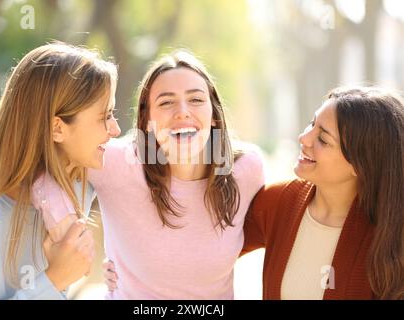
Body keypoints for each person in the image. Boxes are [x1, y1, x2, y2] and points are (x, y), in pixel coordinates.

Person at [31, 50, 265, 299]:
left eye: (196, 100)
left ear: (214, 115)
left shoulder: (245, 169)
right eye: (166, 102)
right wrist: (65, 226)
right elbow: (43, 162)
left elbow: (250, 233)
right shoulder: (116, 163)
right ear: (147, 121)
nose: (183, 112)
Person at [0, 42, 120, 299]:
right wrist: (53, 280)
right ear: (57, 128)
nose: (115, 129)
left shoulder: (80, 183)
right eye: (104, 117)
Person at [242, 86, 404, 299]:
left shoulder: (391, 235)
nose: (304, 138)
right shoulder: (278, 201)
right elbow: (209, 248)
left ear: (360, 165)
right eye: (312, 124)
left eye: (323, 139)